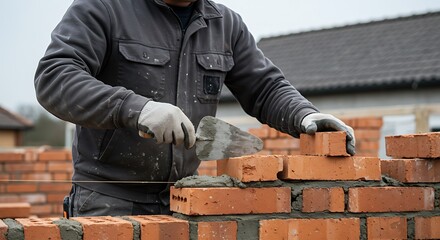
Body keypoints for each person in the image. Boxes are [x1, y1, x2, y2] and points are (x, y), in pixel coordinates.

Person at [34, 0, 355, 217]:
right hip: (108, 199)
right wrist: (136, 109)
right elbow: (55, 76)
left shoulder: (224, 24)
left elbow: (264, 87)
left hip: (185, 199)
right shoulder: (105, 7)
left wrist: (305, 115)